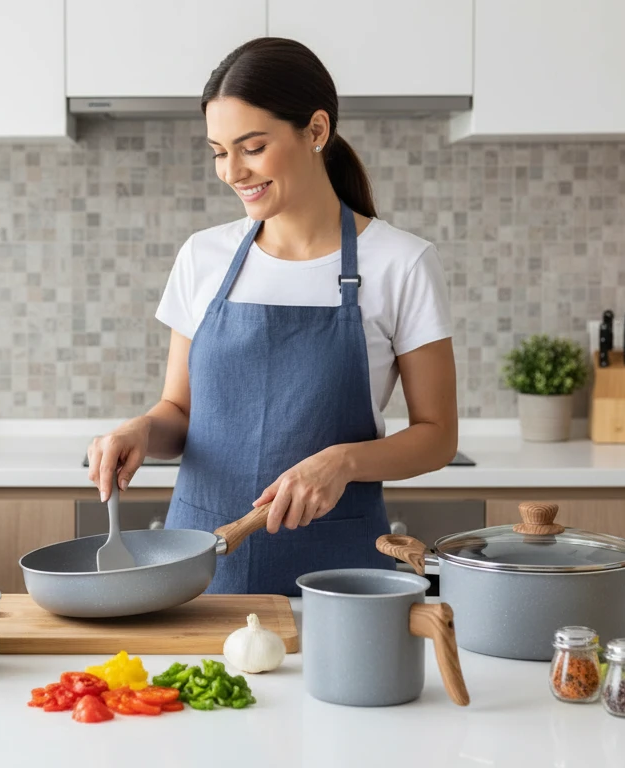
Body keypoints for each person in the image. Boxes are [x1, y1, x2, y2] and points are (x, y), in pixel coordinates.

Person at [86, 38, 458, 596]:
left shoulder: (401, 263)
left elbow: (438, 436)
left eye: (252, 147)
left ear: (315, 131)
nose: (232, 171)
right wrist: (139, 429)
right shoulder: (203, 256)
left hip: (340, 578)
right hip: (202, 565)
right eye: (217, 151)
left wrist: (342, 462)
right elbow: (179, 411)